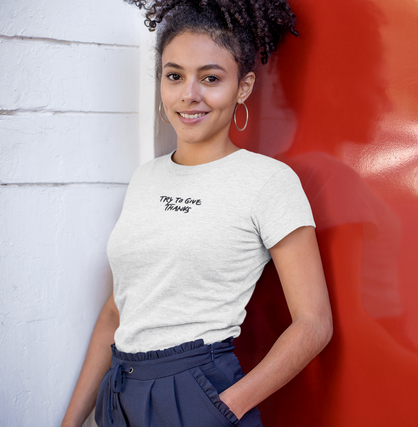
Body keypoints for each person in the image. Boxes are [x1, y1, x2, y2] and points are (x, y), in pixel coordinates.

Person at [61, 0, 333, 425]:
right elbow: (116, 311)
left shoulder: (268, 181)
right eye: (174, 76)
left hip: (196, 390)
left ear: (242, 87)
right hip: (120, 392)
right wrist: (71, 421)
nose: (189, 95)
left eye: (210, 78)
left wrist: (225, 407)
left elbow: (314, 323)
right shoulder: (145, 178)